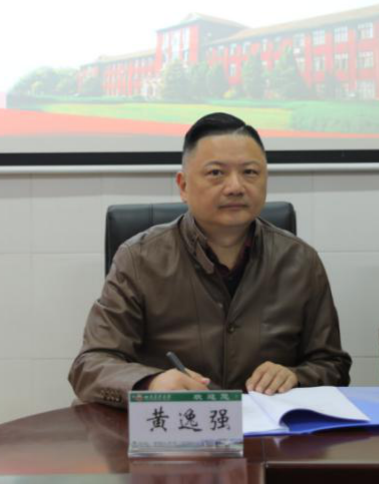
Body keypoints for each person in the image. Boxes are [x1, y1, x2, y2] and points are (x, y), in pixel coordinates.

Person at [69, 113, 351, 407]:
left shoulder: (300, 261)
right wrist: (151, 383)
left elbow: (332, 365)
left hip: (268, 430)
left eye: (250, 172)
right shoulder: (139, 258)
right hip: (172, 427)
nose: (235, 187)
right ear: (183, 186)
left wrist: (296, 376)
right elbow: (90, 364)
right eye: (216, 173)